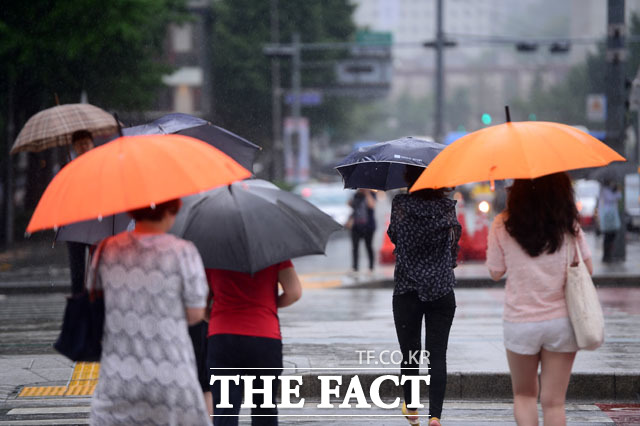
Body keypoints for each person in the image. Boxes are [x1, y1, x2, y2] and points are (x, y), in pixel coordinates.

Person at [88, 199, 210, 426]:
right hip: (172, 375)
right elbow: (195, 314)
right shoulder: (184, 252)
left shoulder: (106, 250)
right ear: (172, 211)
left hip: (118, 379)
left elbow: (94, 304)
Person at [486, 173, 593, 426]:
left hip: (520, 322)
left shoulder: (503, 223)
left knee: (524, 395)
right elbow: (588, 269)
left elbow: (495, 272)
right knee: (554, 403)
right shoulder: (567, 224)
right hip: (562, 321)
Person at [387, 166, 461, 426]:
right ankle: (435, 415)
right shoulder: (446, 208)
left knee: (410, 353)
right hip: (441, 290)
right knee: (437, 354)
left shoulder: (401, 205)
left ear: (408, 177)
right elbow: (454, 246)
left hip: (407, 289)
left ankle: (413, 407)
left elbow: (394, 236)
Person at [66, 130, 96, 295]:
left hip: (97, 226)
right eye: (79, 144)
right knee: (77, 274)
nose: (83, 147)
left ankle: (96, 307)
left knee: (97, 271)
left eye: (86, 143)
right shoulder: (67, 169)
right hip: (74, 227)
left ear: (92, 144)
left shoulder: (101, 166)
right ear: (74, 147)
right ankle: (78, 308)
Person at [348, 188, 377, 272]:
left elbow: (371, 205)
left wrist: (367, 193)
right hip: (356, 225)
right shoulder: (356, 195)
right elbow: (352, 207)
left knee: (368, 246)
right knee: (355, 247)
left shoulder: (371, 194)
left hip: (368, 226)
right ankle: (355, 267)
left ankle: (371, 267)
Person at [597, 179, 622, 263]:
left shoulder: (610, 189)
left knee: (611, 236)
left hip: (612, 216)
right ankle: (606, 256)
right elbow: (612, 198)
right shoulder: (604, 190)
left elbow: (619, 196)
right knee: (607, 237)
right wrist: (616, 191)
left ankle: (608, 255)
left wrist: (615, 190)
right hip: (607, 216)